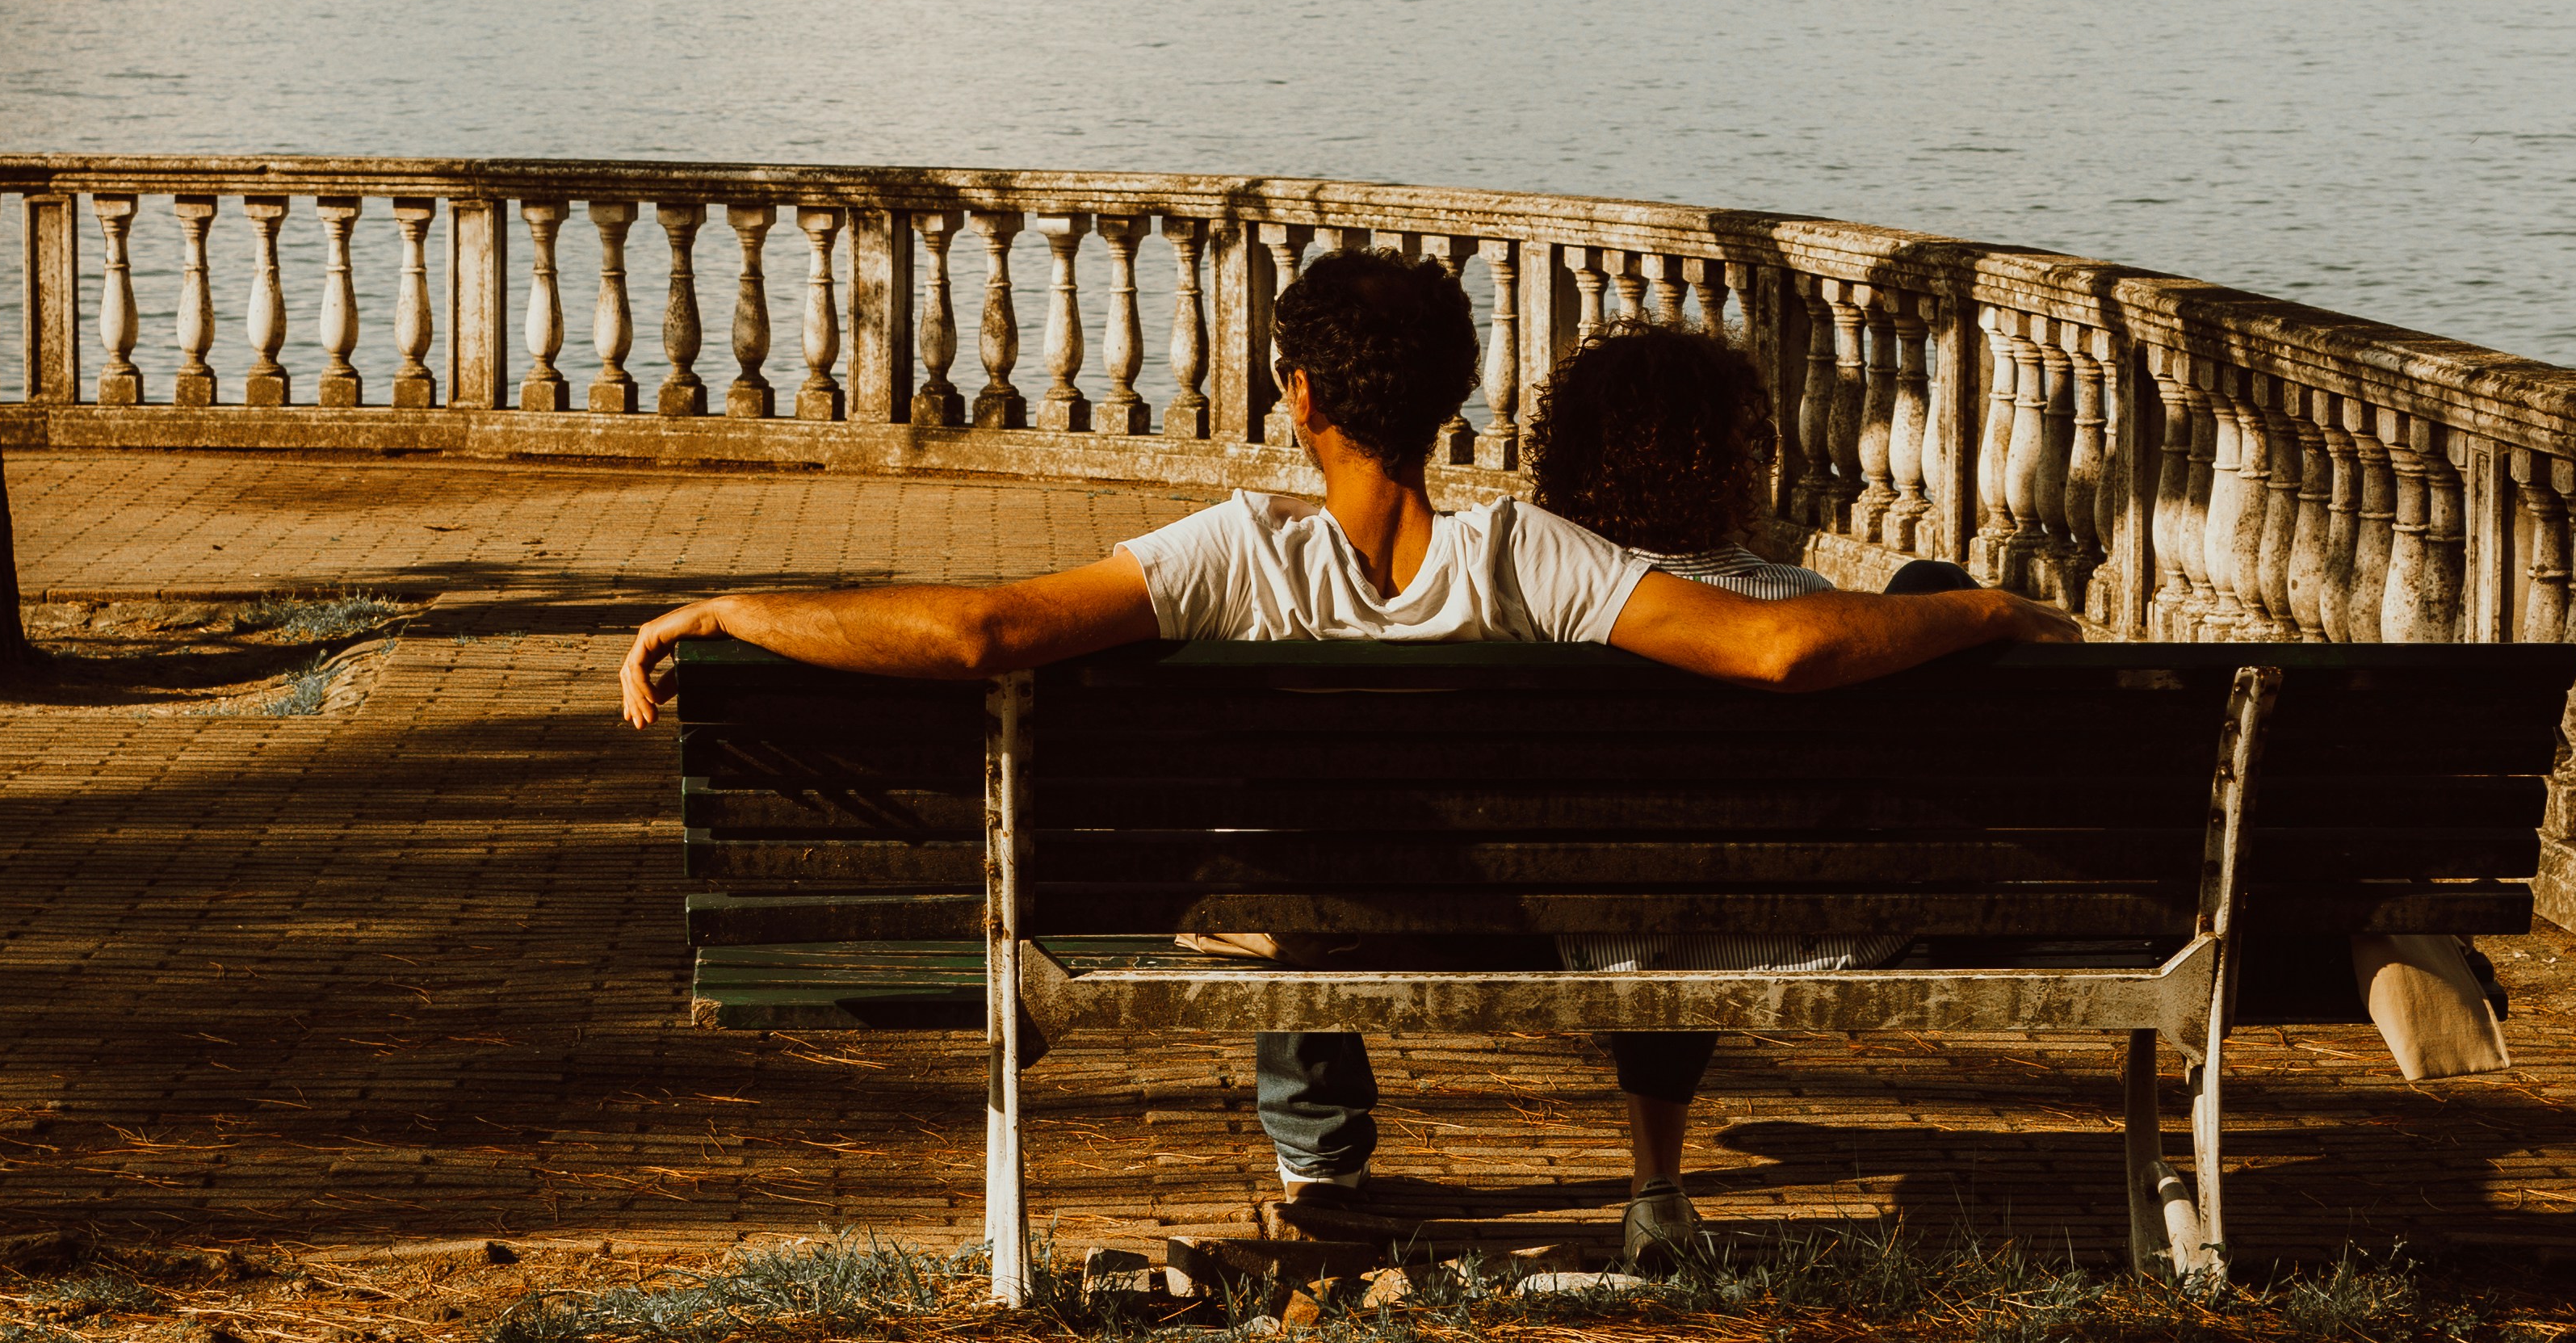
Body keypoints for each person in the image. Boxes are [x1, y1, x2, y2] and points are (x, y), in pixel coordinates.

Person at [616, 249, 2062, 1253]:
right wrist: (1986, 606)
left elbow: (985, 634)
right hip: (1533, 932)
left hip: (1300, 932)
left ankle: (1317, 1157)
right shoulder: (1529, 555)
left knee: (1283, 846)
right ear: (1454, 404)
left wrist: (745, 608)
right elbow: (1782, 649)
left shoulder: (1234, 556)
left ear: (1298, 398)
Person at [1519, 321, 1834, 1259]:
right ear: (1733, 459)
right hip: (1786, 926)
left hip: (1576, 929)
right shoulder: (1803, 606)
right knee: (1699, 878)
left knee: (1656, 883)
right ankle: (1655, 1182)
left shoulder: (1535, 608)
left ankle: (1320, 1165)